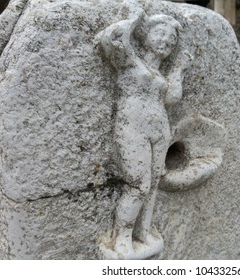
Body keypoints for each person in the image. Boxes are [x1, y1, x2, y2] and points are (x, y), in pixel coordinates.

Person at [94, 10, 192, 259]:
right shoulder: (130, 60)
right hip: (132, 127)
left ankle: (144, 231)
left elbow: (170, 98)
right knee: (138, 184)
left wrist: (179, 70)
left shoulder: (159, 74)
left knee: (154, 183)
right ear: (146, 35)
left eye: (171, 39)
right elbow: (111, 38)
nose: (166, 41)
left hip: (159, 128)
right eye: (160, 33)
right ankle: (123, 236)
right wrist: (136, 18)